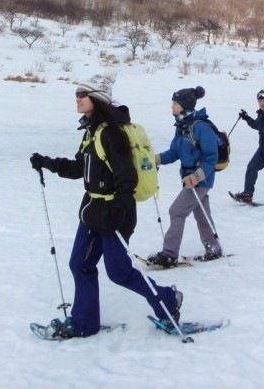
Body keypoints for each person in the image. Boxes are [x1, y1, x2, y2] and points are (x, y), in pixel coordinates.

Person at [29, 82, 182, 337]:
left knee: (119, 272)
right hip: (92, 211)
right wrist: (47, 162)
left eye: (83, 95)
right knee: (80, 264)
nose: (77, 99)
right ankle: (83, 324)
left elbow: (127, 177)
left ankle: (167, 299)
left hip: (114, 214)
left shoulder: (110, 133)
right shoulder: (91, 132)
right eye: (76, 95)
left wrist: (118, 211)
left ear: (97, 99)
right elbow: (80, 169)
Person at [148, 85, 223, 267]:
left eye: (175, 104)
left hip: (200, 180)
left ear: (185, 105)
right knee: (202, 214)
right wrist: (156, 159)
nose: (172, 107)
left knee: (176, 211)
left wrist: (197, 177)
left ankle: (169, 254)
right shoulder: (182, 126)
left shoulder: (201, 127)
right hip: (189, 179)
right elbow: (175, 152)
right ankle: (213, 248)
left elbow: (212, 157)